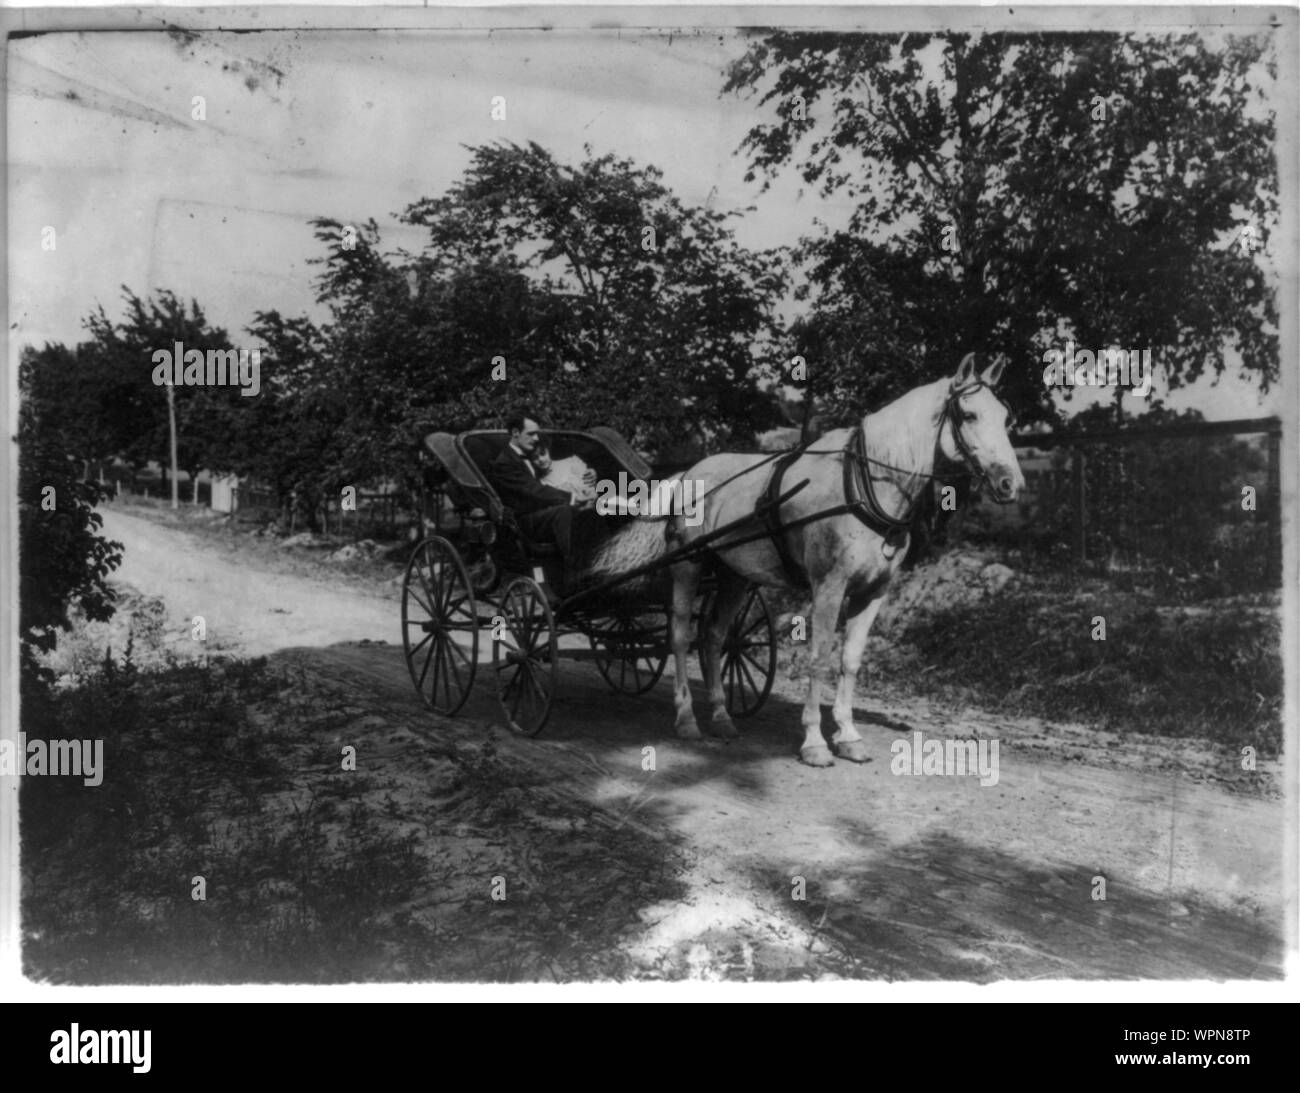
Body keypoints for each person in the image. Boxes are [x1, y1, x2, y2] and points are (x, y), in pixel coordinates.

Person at [486, 411, 595, 558]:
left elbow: (552, 474)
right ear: (515, 432)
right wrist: (571, 498)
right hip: (524, 522)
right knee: (562, 511)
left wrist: (590, 473)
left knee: (591, 513)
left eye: (536, 434)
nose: (535, 438)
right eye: (531, 434)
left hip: (541, 512)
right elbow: (534, 491)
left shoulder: (529, 455)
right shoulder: (505, 462)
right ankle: (574, 568)